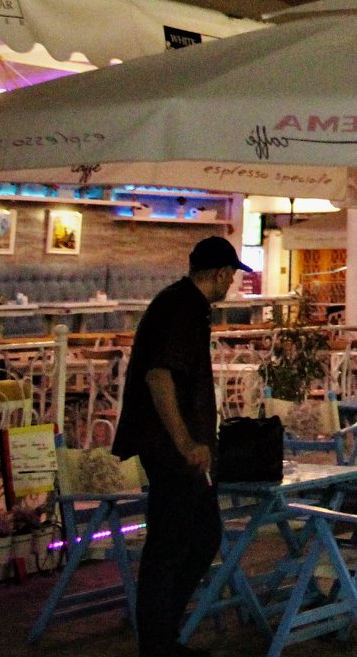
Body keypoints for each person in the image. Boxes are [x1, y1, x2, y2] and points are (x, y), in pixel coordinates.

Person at [113, 236, 252, 657]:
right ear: (221, 274)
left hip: (179, 448)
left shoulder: (182, 305)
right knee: (172, 545)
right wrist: (185, 441)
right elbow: (160, 377)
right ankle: (157, 641)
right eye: (231, 276)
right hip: (172, 448)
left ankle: (163, 635)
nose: (232, 284)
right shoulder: (181, 308)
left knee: (199, 536)